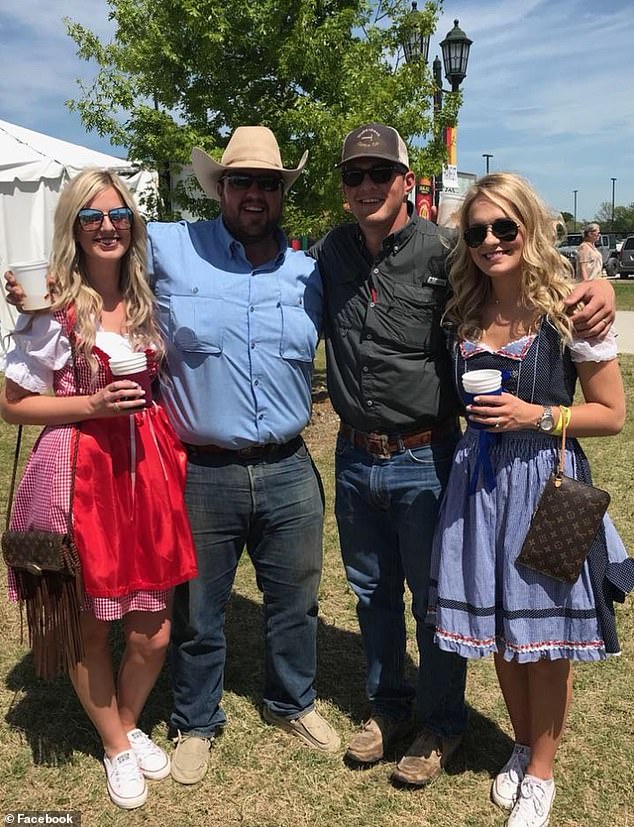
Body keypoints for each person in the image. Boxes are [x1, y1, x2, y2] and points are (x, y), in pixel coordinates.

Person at [310, 123, 618, 788]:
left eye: (379, 173)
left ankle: (446, 723)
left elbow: (602, 391)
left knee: (440, 598)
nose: (488, 242)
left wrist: (595, 288)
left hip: (440, 457)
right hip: (371, 458)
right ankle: (390, 707)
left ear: (404, 181)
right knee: (381, 595)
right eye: (353, 175)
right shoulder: (336, 254)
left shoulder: (446, 251)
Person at [427, 172, 633, 827]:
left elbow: (612, 413)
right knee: (504, 635)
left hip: (552, 482)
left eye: (504, 227)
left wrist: (536, 416)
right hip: (481, 485)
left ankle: (541, 772)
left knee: (548, 639)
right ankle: (522, 741)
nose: (491, 240)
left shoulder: (572, 310)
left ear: (530, 228)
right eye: (478, 230)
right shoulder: (462, 310)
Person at [0, 169, 199, 810]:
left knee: (155, 628)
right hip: (86, 477)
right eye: (93, 218)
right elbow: (13, 405)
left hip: (150, 473)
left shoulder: (147, 298)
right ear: (75, 230)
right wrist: (91, 403)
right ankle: (115, 744)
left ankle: (130, 720)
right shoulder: (52, 309)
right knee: (92, 624)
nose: (108, 226)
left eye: (118, 215)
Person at [148, 126, 339, 785]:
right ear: (220, 188)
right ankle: (196, 721)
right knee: (199, 609)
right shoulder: (170, 246)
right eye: (241, 182)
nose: (254, 193)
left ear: (282, 192)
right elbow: (95, 253)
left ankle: (292, 701)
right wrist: (40, 292)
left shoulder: (311, 269)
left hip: (289, 465)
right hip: (203, 470)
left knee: (296, 598)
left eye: (268, 183)